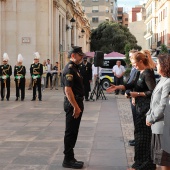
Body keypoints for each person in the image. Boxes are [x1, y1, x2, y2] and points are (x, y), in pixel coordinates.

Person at [106, 51, 156, 170]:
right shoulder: (140, 72)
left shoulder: (148, 73)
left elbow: (152, 92)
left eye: (134, 63)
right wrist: (117, 87)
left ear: (140, 61)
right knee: (139, 136)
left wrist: (137, 94)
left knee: (144, 137)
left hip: (145, 109)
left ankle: (145, 164)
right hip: (139, 108)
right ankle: (138, 163)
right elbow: (130, 84)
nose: (133, 66)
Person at [62, 46, 85, 169]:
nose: (81, 57)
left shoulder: (75, 68)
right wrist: (75, 107)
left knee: (74, 131)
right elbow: (68, 90)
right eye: (79, 55)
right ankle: (67, 159)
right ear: (73, 55)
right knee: (70, 131)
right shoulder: (70, 69)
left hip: (77, 102)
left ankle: (71, 157)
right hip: (73, 103)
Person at [146, 54, 170, 170]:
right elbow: (153, 102)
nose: (156, 65)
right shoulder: (162, 80)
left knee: (164, 162)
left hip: (163, 127)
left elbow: (163, 105)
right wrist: (148, 115)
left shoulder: (168, 82)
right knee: (158, 160)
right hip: (156, 126)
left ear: (165, 66)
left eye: (158, 63)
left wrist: (152, 118)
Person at [125, 50, 139, 147]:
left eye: (131, 57)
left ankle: (138, 139)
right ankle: (136, 138)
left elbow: (136, 84)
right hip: (132, 96)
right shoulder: (133, 68)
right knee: (135, 119)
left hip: (136, 97)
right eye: (129, 57)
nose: (130, 59)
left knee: (137, 119)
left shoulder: (138, 69)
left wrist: (133, 95)